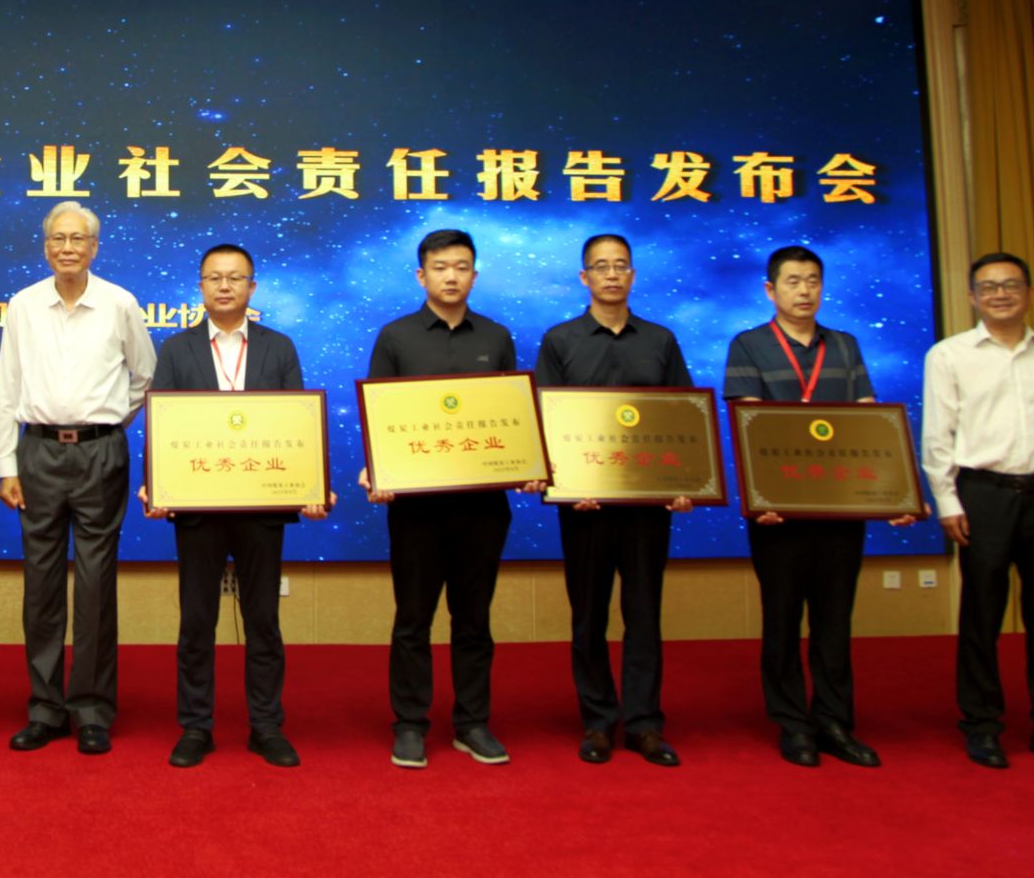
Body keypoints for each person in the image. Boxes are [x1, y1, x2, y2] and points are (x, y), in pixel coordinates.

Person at [139, 243, 330, 769]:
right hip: (197, 505)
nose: (225, 286)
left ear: (252, 286)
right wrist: (154, 483)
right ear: (200, 286)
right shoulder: (176, 349)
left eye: (235, 278)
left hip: (261, 507)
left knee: (263, 619)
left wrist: (311, 485)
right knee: (196, 620)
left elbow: (296, 423)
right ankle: (195, 726)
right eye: (214, 278)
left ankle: (266, 725)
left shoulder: (279, 347)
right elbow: (161, 421)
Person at [723, 244, 914, 769]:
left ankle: (833, 721)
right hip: (778, 514)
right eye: (793, 281)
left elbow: (869, 422)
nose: (804, 290)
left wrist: (895, 492)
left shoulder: (845, 346)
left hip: (838, 511)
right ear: (771, 290)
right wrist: (760, 496)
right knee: (782, 618)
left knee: (834, 620)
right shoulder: (749, 345)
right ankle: (792, 724)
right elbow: (750, 428)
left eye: (812, 281)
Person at [921, 252, 1034, 773]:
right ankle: (982, 725)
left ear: (1028, 292)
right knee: (981, 614)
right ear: (972, 296)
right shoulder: (949, 355)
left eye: (1010, 285)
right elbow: (938, 437)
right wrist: (947, 501)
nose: (1000, 294)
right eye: (988, 287)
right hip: (983, 494)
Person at [359, 228, 528, 771]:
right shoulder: (396, 337)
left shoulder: (496, 337)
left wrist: (527, 464)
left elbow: (511, 418)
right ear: (421, 275)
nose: (451, 276)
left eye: (461, 267)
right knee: (413, 617)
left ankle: (472, 722)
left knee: (473, 618)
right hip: (416, 508)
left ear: (474, 275)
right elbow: (380, 415)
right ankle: (410, 723)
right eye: (440, 267)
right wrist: (378, 468)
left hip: (482, 507)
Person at [0, 201, 156, 755]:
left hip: (99, 456)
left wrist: (108, 425)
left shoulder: (119, 303)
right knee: (40, 585)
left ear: (94, 247)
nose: (67, 248)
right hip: (37, 452)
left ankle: (90, 708)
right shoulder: (22, 305)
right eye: (57, 239)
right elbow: (8, 387)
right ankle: (44, 708)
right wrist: (7, 465)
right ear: (46, 247)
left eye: (77, 239)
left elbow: (144, 376)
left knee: (95, 584)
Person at [534, 233, 693, 768]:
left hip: (647, 508)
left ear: (632, 275)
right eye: (600, 267)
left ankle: (645, 724)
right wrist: (565, 485)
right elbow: (547, 420)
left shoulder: (661, 341)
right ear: (585, 277)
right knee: (589, 617)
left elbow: (683, 416)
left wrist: (687, 483)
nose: (611, 275)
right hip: (585, 508)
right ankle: (598, 720)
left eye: (620, 266)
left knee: (644, 615)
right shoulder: (560, 340)